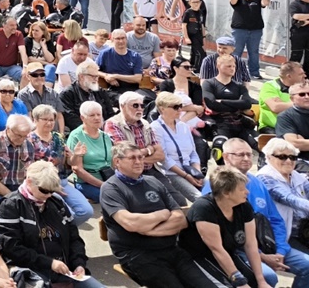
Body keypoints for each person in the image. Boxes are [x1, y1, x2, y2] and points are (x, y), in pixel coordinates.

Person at [101, 142, 217, 288]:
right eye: (132, 158)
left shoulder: (153, 181)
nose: (138, 162)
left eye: (140, 157)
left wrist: (148, 230)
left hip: (172, 250)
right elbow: (131, 223)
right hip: (139, 256)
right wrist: (162, 214)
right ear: (117, 161)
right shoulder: (111, 188)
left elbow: (180, 220)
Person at [207, 138, 309, 288]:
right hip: (238, 249)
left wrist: (280, 250)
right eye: (241, 155)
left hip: (269, 245)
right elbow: (227, 233)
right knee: (268, 277)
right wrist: (262, 256)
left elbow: (276, 219)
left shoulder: (256, 182)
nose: (247, 159)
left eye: (249, 154)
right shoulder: (216, 185)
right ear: (226, 156)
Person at [0, 160, 102, 288]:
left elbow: (74, 238)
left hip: (65, 272)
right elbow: (11, 248)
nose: (48, 195)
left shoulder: (56, 202)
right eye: (44, 190)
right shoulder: (11, 206)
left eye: (52, 191)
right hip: (33, 272)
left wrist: (79, 263)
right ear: (29, 181)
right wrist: (49, 263)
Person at [182, 166, 269, 288]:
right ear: (226, 193)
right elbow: (216, 249)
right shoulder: (204, 208)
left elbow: (250, 244)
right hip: (198, 257)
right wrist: (240, 282)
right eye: (241, 189)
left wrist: (261, 281)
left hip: (228, 253)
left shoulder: (244, 206)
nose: (247, 192)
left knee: (256, 281)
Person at [26, 103, 93, 225]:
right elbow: (29, 170)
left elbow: (69, 162)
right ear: (35, 120)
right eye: (45, 119)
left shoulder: (58, 137)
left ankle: (65, 231)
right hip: (42, 185)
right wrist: (52, 187)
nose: (49, 123)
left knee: (86, 211)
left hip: (62, 182)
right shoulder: (29, 140)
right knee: (66, 214)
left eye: (52, 120)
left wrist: (76, 155)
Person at [151, 91, 205, 204]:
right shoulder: (155, 128)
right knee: (200, 199)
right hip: (172, 173)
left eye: (180, 106)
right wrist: (186, 176)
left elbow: (193, 153)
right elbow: (164, 159)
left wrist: (197, 172)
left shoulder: (184, 126)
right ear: (162, 109)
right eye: (175, 107)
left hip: (190, 170)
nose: (180, 110)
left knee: (220, 194)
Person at [256, 137, 309, 253]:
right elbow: (288, 198)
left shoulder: (296, 175)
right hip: (286, 236)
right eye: (282, 157)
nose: (289, 161)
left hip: (304, 231)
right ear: (269, 157)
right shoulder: (265, 177)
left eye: (292, 157)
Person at [203, 53, 258, 149]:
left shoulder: (239, 86)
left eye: (234, 66)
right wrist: (237, 104)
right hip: (220, 124)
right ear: (218, 66)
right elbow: (212, 104)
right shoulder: (209, 83)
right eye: (229, 66)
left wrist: (223, 101)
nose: (232, 68)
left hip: (239, 123)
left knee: (263, 144)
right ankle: (221, 165)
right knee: (219, 146)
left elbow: (247, 104)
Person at [231, 0, 271, 79]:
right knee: (236, 51)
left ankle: (254, 72)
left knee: (253, 51)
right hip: (239, 30)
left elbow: (266, 3)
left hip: (255, 30)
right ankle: (233, 72)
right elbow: (232, 1)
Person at [60, 61, 113, 135]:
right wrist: (92, 130)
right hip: (84, 133)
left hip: (105, 131)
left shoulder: (100, 91)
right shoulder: (68, 93)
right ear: (81, 77)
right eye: (93, 76)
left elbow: (110, 113)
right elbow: (71, 119)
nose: (96, 79)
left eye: (97, 76)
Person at [258, 62, 303, 134]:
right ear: (289, 76)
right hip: (272, 128)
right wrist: (300, 103)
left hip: (297, 127)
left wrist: (284, 104)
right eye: (300, 74)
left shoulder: (303, 87)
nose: (304, 76)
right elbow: (275, 107)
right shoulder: (270, 86)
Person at [276, 81, 309, 160]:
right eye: (302, 94)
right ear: (292, 98)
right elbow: (294, 144)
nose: (307, 97)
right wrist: (299, 143)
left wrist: (304, 142)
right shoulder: (285, 117)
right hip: (299, 161)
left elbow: (300, 143)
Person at [0, 17, 27, 82]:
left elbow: (23, 52)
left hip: (12, 66)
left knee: (24, 76)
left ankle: (22, 92)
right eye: (12, 25)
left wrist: (25, 68)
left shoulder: (18, 34)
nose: (15, 27)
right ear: (4, 25)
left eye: (16, 25)